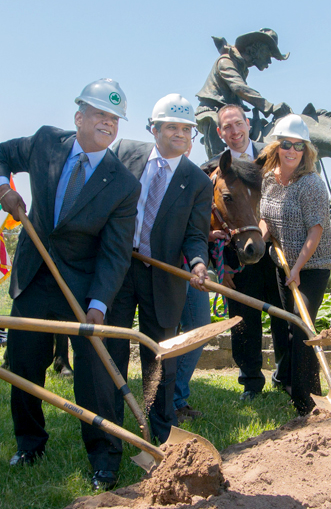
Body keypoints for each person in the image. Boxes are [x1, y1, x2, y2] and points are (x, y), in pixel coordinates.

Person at [0, 79, 141, 491]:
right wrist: (2, 187)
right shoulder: (45, 143)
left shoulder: (123, 184)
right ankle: (29, 444)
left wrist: (99, 304)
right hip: (34, 277)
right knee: (24, 366)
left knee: (95, 377)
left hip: (82, 289)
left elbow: (115, 253)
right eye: (100, 114)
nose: (108, 123)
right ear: (79, 117)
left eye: (115, 119)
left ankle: (104, 458)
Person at [110, 94, 212, 462]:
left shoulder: (197, 181)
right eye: (172, 127)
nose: (180, 134)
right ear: (153, 129)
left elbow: (196, 235)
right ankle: (111, 430)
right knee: (112, 349)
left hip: (162, 275)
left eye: (186, 129)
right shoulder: (125, 153)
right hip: (119, 269)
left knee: (161, 356)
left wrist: (197, 263)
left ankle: (162, 433)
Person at [202, 104, 291, 401]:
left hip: (275, 250)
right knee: (243, 320)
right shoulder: (211, 169)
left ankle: (285, 376)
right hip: (235, 257)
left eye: (238, 124)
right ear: (220, 132)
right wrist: (219, 264)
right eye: (227, 127)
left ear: (248, 124)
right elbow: (207, 218)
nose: (234, 131)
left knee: (282, 316)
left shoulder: (272, 157)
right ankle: (251, 382)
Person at [257, 114, 331, 415]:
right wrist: (260, 240)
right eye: (286, 144)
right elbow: (266, 218)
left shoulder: (312, 184)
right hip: (283, 262)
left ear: (306, 150)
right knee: (288, 324)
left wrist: (298, 268)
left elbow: (316, 230)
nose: (292, 151)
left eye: (298, 145)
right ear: (276, 147)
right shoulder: (269, 179)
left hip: (313, 265)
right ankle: (293, 387)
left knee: (303, 327)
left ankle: (307, 401)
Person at [196, 28, 291, 157]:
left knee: (256, 129)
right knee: (219, 130)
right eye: (268, 55)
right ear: (257, 50)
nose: (269, 61)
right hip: (210, 111)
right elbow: (240, 88)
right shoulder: (226, 62)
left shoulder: (242, 68)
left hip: (231, 113)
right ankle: (217, 165)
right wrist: (270, 107)